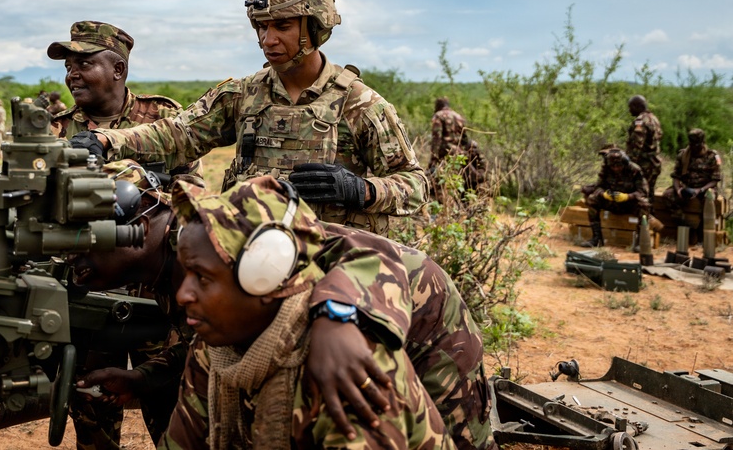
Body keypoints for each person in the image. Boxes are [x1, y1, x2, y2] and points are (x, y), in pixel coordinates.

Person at [75, 163, 493, 450]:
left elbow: (374, 257)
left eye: (200, 279)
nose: (186, 293)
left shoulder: (252, 244)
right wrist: (145, 378)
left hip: (419, 309)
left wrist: (337, 317)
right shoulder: (205, 255)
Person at [74, 0, 426, 233]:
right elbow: (177, 134)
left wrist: (360, 190)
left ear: (315, 26)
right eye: (261, 26)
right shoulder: (243, 95)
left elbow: (414, 185)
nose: (268, 39)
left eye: (282, 26)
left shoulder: (359, 104)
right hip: (250, 254)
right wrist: (106, 140)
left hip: (330, 258)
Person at [47, 20, 201, 180]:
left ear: (118, 70)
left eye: (84, 64)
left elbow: (191, 188)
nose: (71, 75)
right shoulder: (55, 129)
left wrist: (138, 184)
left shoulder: (163, 115)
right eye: (68, 67)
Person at [580, 147, 650, 249]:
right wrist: (604, 194)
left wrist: (627, 196)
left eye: (619, 166)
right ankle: (597, 238)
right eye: (613, 166)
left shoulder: (635, 170)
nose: (616, 168)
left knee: (644, 204)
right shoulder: (606, 168)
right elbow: (598, 186)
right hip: (611, 201)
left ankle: (640, 242)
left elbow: (643, 191)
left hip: (629, 203)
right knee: (592, 199)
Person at [663, 129, 723, 246]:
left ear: (702, 142)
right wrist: (678, 189)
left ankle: (701, 234)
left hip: (705, 187)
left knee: (709, 198)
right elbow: (676, 176)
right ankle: (686, 227)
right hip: (687, 187)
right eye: (692, 144)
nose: (694, 147)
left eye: (697, 144)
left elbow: (715, 180)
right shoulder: (683, 155)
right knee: (668, 195)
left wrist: (700, 190)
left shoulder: (712, 156)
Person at [625, 95, 663, 198]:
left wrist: (629, 165)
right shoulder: (654, 118)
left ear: (637, 106)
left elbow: (637, 145)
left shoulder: (640, 121)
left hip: (644, 165)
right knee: (649, 194)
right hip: (654, 162)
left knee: (641, 194)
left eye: (631, 107)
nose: (629, 110)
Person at [429, 97, 469, 172]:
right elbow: (465, 138)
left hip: (445, 152)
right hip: (459, 153)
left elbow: (436, 138)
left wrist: (433, 159)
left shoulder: (438, 116)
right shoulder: (458, 116)